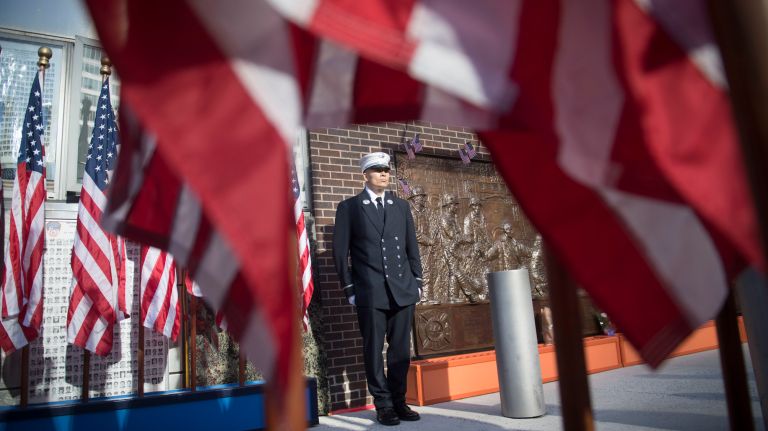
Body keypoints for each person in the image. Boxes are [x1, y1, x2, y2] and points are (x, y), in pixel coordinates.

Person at [333, 151, 423, 426]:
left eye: (386, 169)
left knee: (400, 351)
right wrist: (350, 289)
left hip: (403, 290)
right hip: (370, 291)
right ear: (365, 175)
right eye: (378, 169)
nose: (385, 173)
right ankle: (382, 405)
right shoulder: (350, 208)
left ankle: (399, 401)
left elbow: (411, 247)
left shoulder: (400, 206)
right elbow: (340, 253)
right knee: (374, 350)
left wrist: (418, 282)